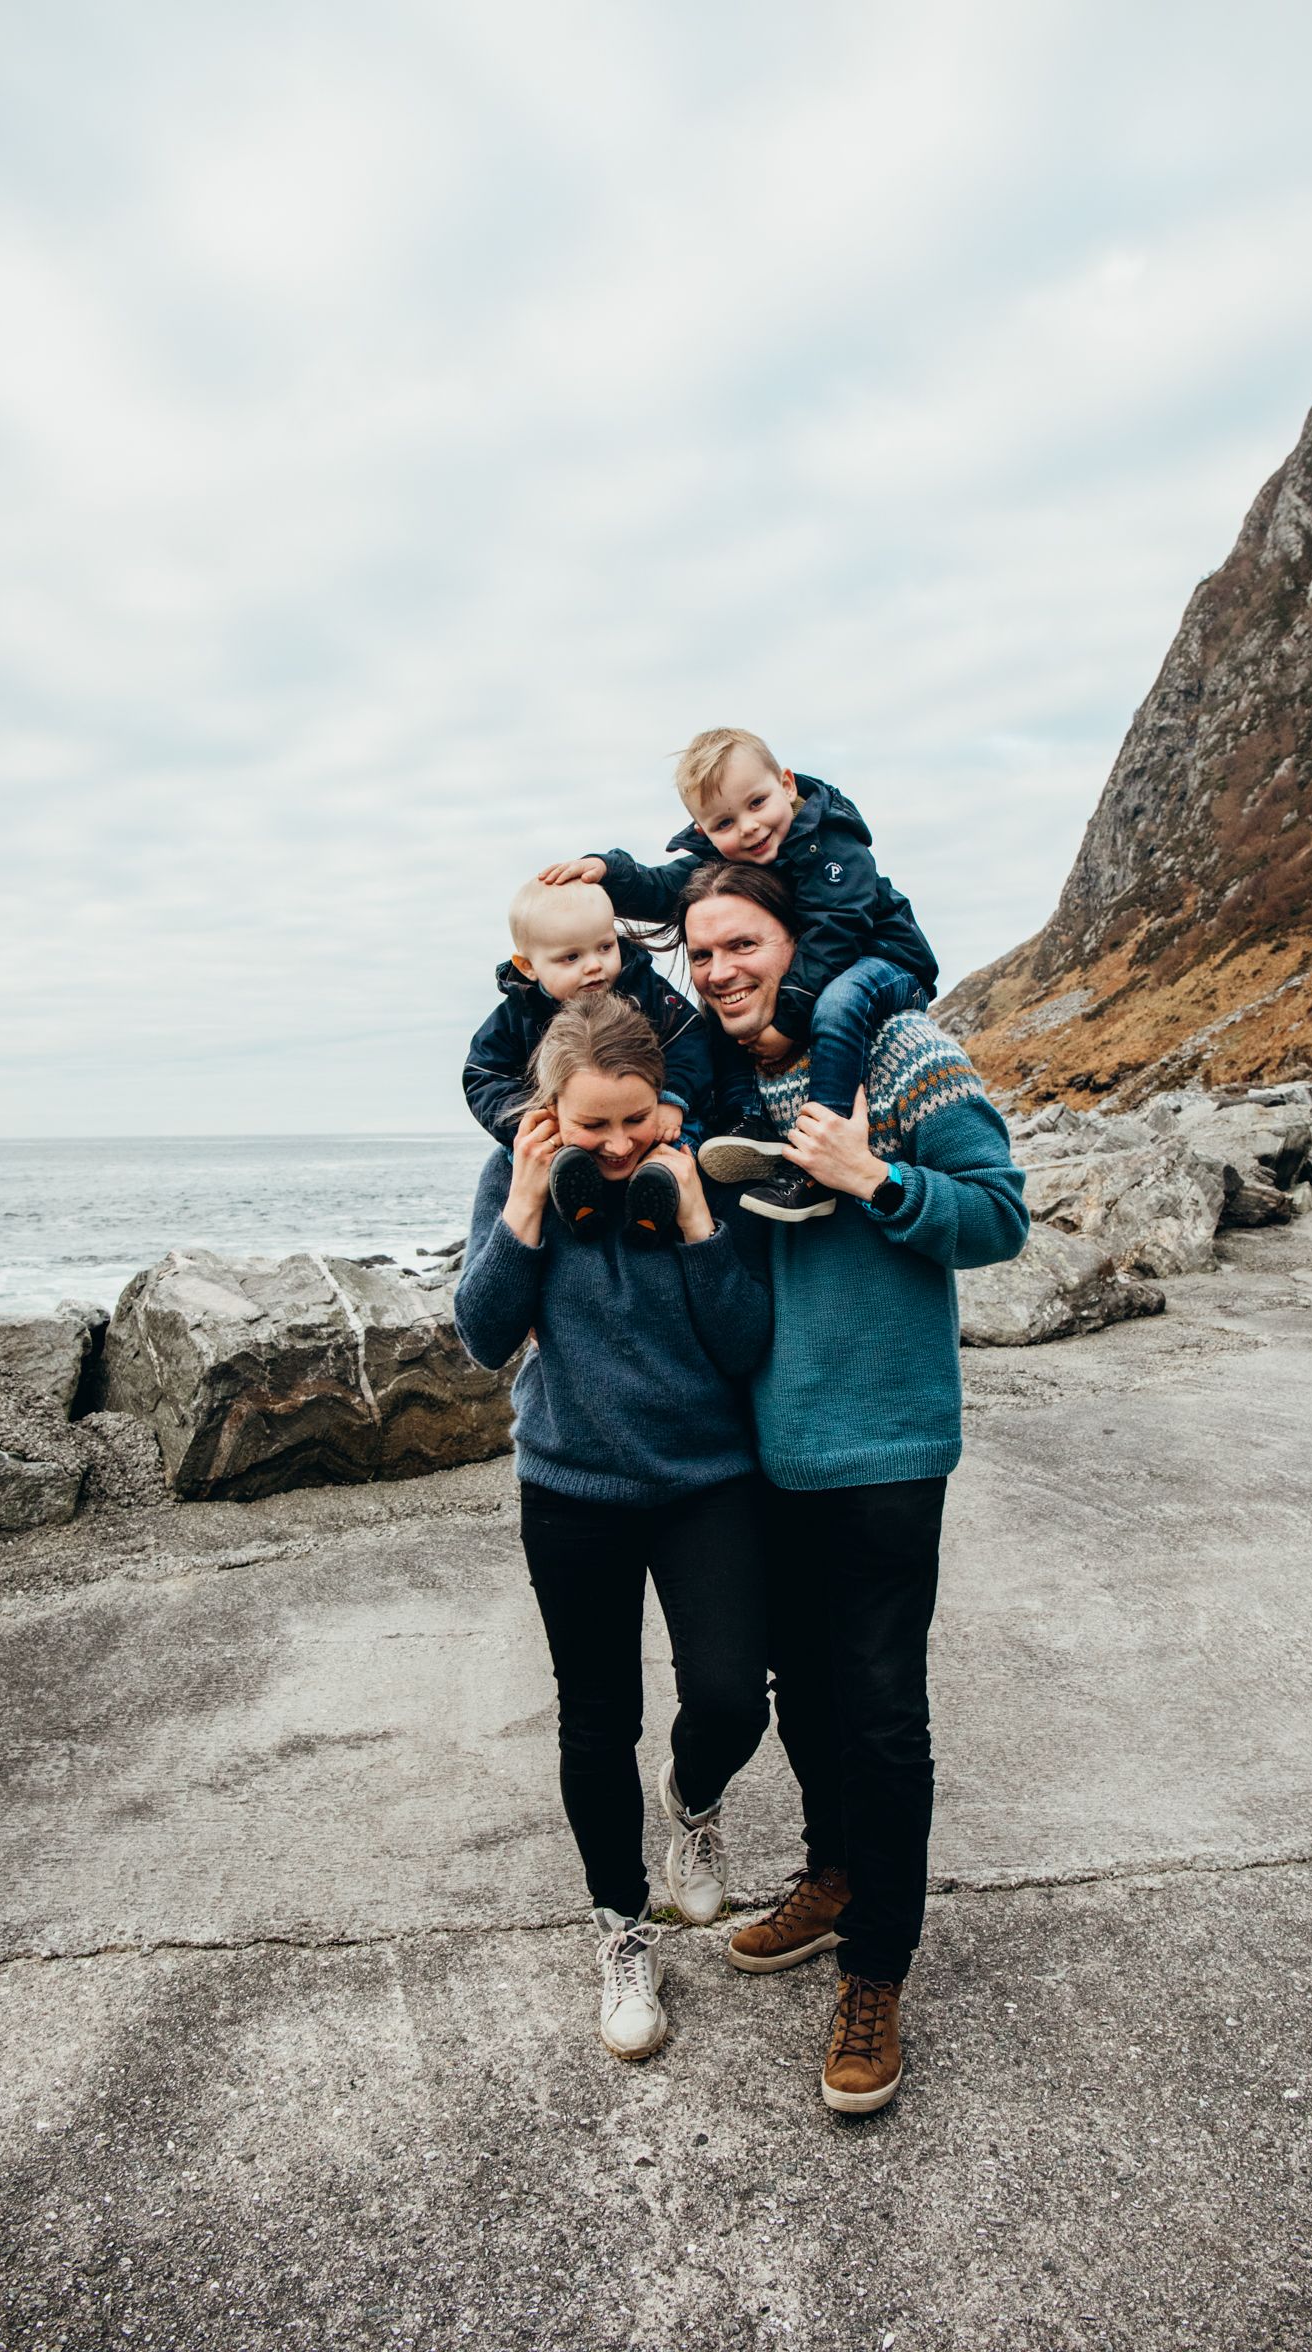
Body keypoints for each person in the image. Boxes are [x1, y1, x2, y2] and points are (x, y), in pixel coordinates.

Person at [677, 861, 1029, 2115]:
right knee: (802, 1689)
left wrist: (871, 1179)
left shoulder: (899, 1046)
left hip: (882, 1437)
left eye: (740, 942)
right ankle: (831, 1879)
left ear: (793, 938)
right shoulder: (716, 1081)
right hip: (756, 1446)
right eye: (698, 951)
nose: (717, 969)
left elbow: (998, 1218)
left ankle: (877, 1967)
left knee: (880, 1707)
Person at [453, 991, 771, 2061]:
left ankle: (692, 1802)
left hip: (706, 1479)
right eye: (594, 1123)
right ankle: (620, 1929)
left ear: (667, 1103)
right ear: (550, 1111)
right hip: (572, 1484)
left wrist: (690, 1221)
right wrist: (528, 1204)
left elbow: (741, 1345)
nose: (620, 1141)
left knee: (730, 1696)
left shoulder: (699, 1178)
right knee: (596, 1719)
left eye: (637, 1117)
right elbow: (482, 1336)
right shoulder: (519, 1173)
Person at [540, 727, 938, 1222]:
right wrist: (607, 870)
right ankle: (747, 1119)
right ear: (704, 833)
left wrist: (787, 1024)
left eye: (756, 803)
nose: (748, 828)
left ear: (788, 785)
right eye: (726, 821)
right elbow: (662, 886)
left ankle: (820, 1147)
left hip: (887, 958)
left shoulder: (830, 846)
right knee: (719, 1018)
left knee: (840, 1000)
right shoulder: (735, 858)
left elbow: (838, 930)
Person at [461, 875, 713, 1244]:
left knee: (684, 1138)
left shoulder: (644, 987)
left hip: (661, 1126)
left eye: (605, 947)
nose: (594, 966)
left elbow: (689, 1039)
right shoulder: (517, 1014)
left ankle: (657, 1195)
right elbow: (484, 1075)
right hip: (557, 1139)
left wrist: (671, 1099)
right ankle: (572, 1199)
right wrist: (531, 1123)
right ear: (528, 966)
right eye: (572, 957)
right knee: (527, 1155)